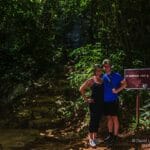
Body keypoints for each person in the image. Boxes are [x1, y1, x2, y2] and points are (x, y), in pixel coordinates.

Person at [102, 59, 127, 146]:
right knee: (109, 118)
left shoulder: (117, 75)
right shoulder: (103, 76)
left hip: (113, 101)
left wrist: (117, 91)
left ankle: (115, 136)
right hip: (105, 101)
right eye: (105, 66)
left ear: (111, 66)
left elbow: (125, 84)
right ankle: (110, 135)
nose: (106, 68)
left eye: (107, 66)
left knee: (115, 118)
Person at [79, 64, 104, 147]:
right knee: (93, 120)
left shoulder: (102, 79)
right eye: (97, 70)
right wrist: (86, 99)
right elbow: (81, 89)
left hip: (101, 103)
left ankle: (95, 138)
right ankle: (90, 139)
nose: (99, 72)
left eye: (100, 70)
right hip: (93, 103)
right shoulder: (91, 80)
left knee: (97, 120)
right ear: (94, 71)